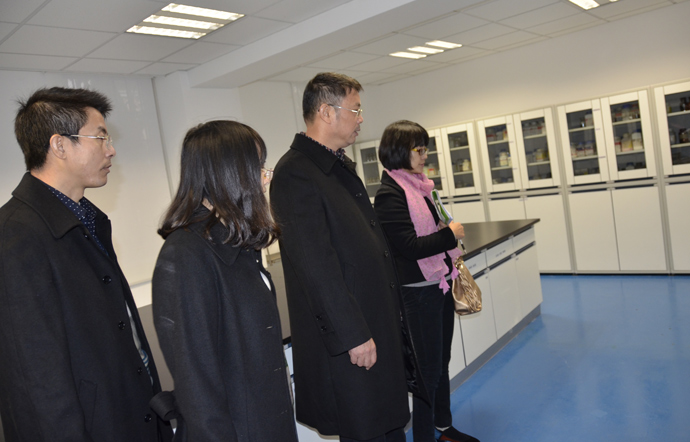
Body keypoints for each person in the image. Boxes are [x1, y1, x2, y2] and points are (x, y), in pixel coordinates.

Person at [0, 87, 173, 441]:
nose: (111, 150)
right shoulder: (15, 236)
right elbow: (35, 379)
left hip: (132, 416)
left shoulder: (87, 218)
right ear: (59, 146)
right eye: (100, 137)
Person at [270, 72, 412, 442]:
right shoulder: (296, 174)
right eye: (356, 109)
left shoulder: (337, 166)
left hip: (373, 320)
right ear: (326, 112)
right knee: (366, 427)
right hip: (352, 337)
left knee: (389, 426)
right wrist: (353, 335)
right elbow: (316, 267)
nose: (361, 118)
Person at [151, 120, 298, 442]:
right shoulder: (186, 254)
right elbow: (196, 382)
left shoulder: (236, 242)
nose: (265, 178)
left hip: (264, 420)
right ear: (228, 173)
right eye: (257, 167)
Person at [374, 120, 479, 442]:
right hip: (418, 295)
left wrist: (445, 233)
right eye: (419, 150)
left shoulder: (421, 187)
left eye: (425, 149)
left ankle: (443, 426)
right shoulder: (390, 195)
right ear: (399, 151)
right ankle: (423, 437)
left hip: (439, 285)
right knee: (427, 373)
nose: (425, 156)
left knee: (441, 362)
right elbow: (409, 248)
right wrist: (450, 235)